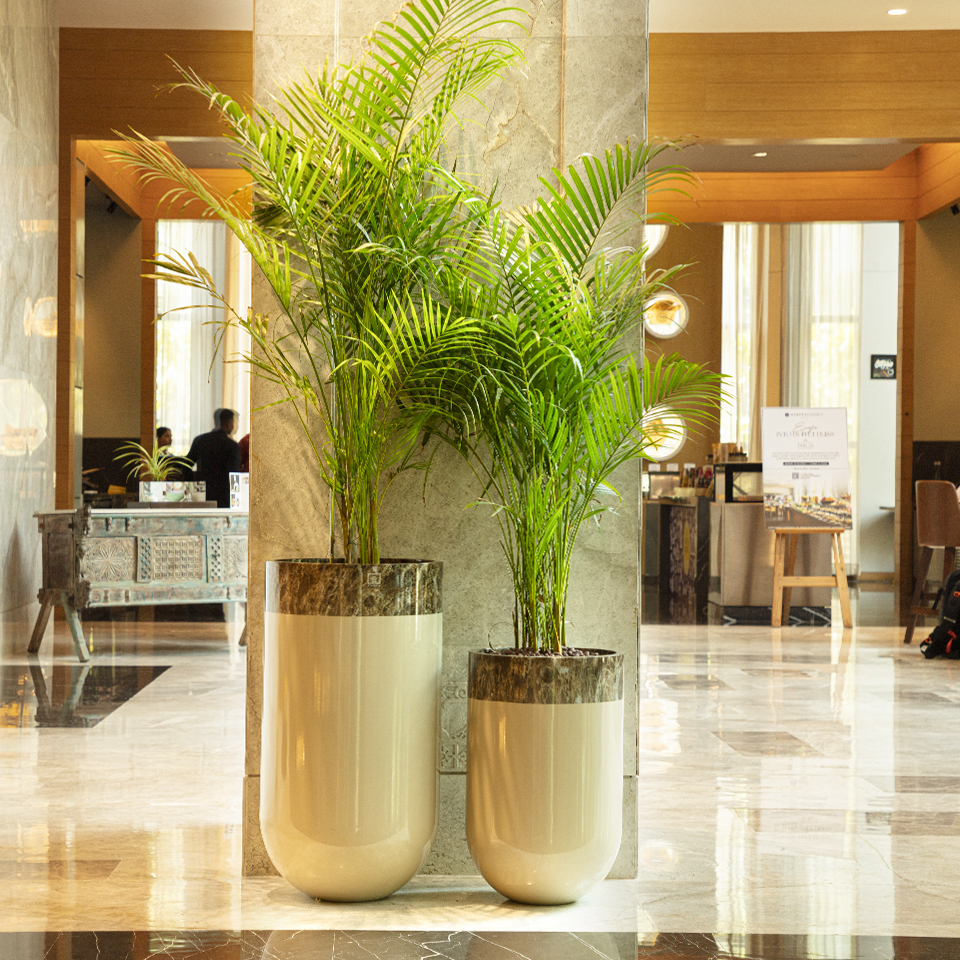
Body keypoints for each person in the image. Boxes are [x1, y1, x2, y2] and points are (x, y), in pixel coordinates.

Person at [185, 409, 242, 508]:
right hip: (224, 497)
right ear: (229, 423)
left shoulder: (200, 441)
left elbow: (185, 465)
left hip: (202, 494)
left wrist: (191, 486)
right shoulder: (232, 446)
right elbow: (234, 475)